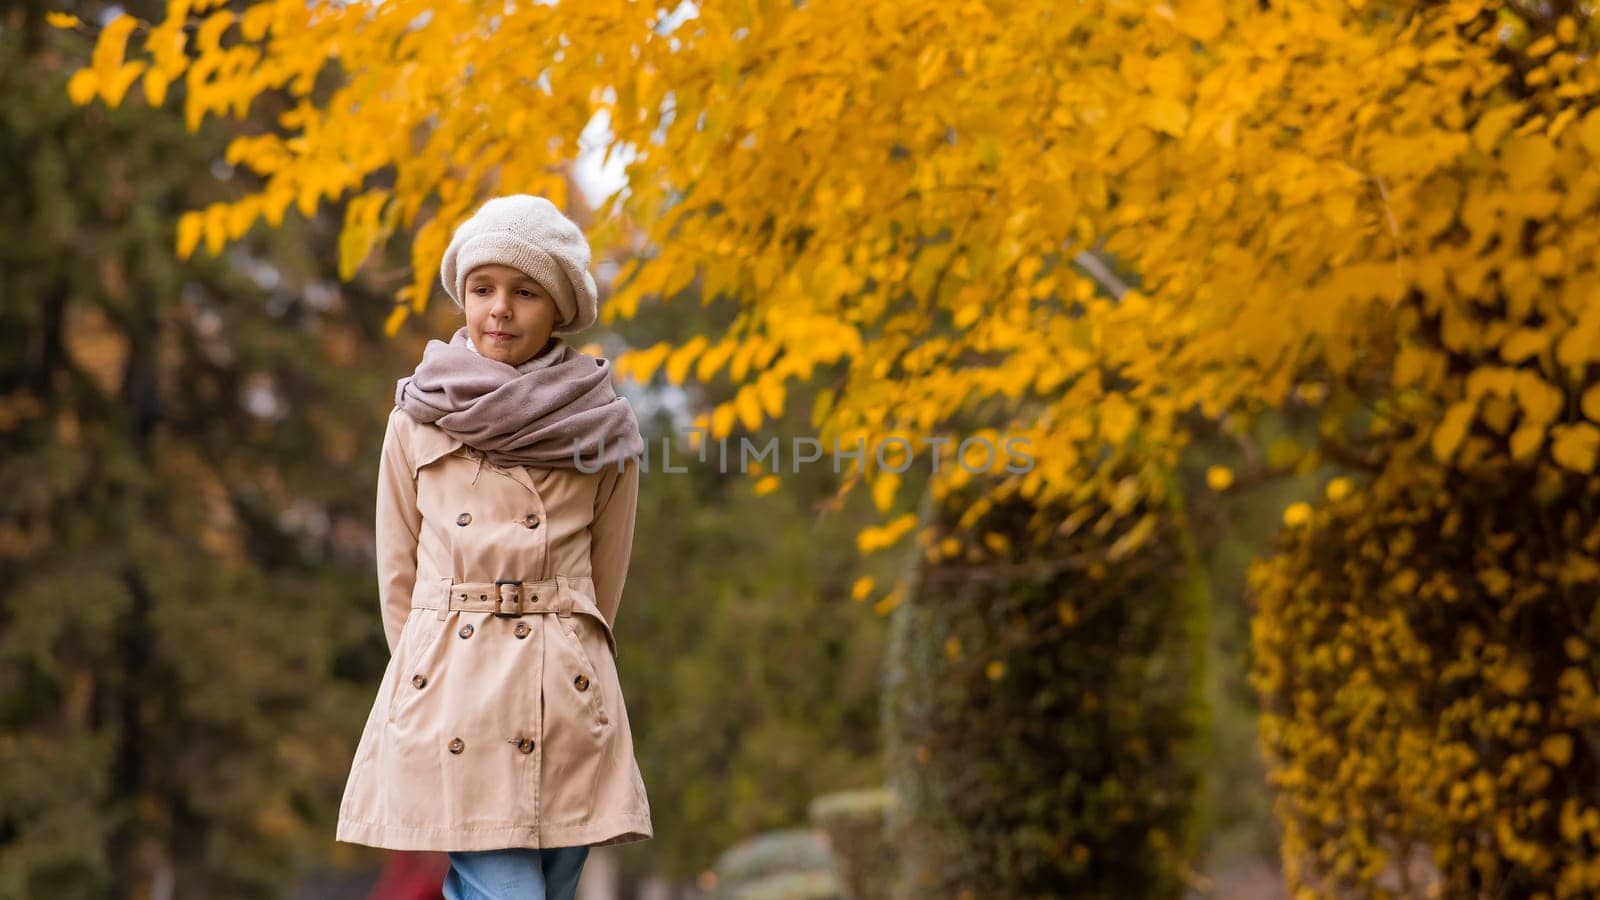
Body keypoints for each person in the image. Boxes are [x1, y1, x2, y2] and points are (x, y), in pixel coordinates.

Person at [336, 194, 653, 900]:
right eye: (483, 289)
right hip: (458, 698)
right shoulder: (416, 418)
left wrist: (571, 660)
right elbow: (398, 575)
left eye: (524, 291)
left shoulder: (603, 426)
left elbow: (607, 579)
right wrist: (431, 677)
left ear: (560, 306)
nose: (499, 309)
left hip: (565, 700)